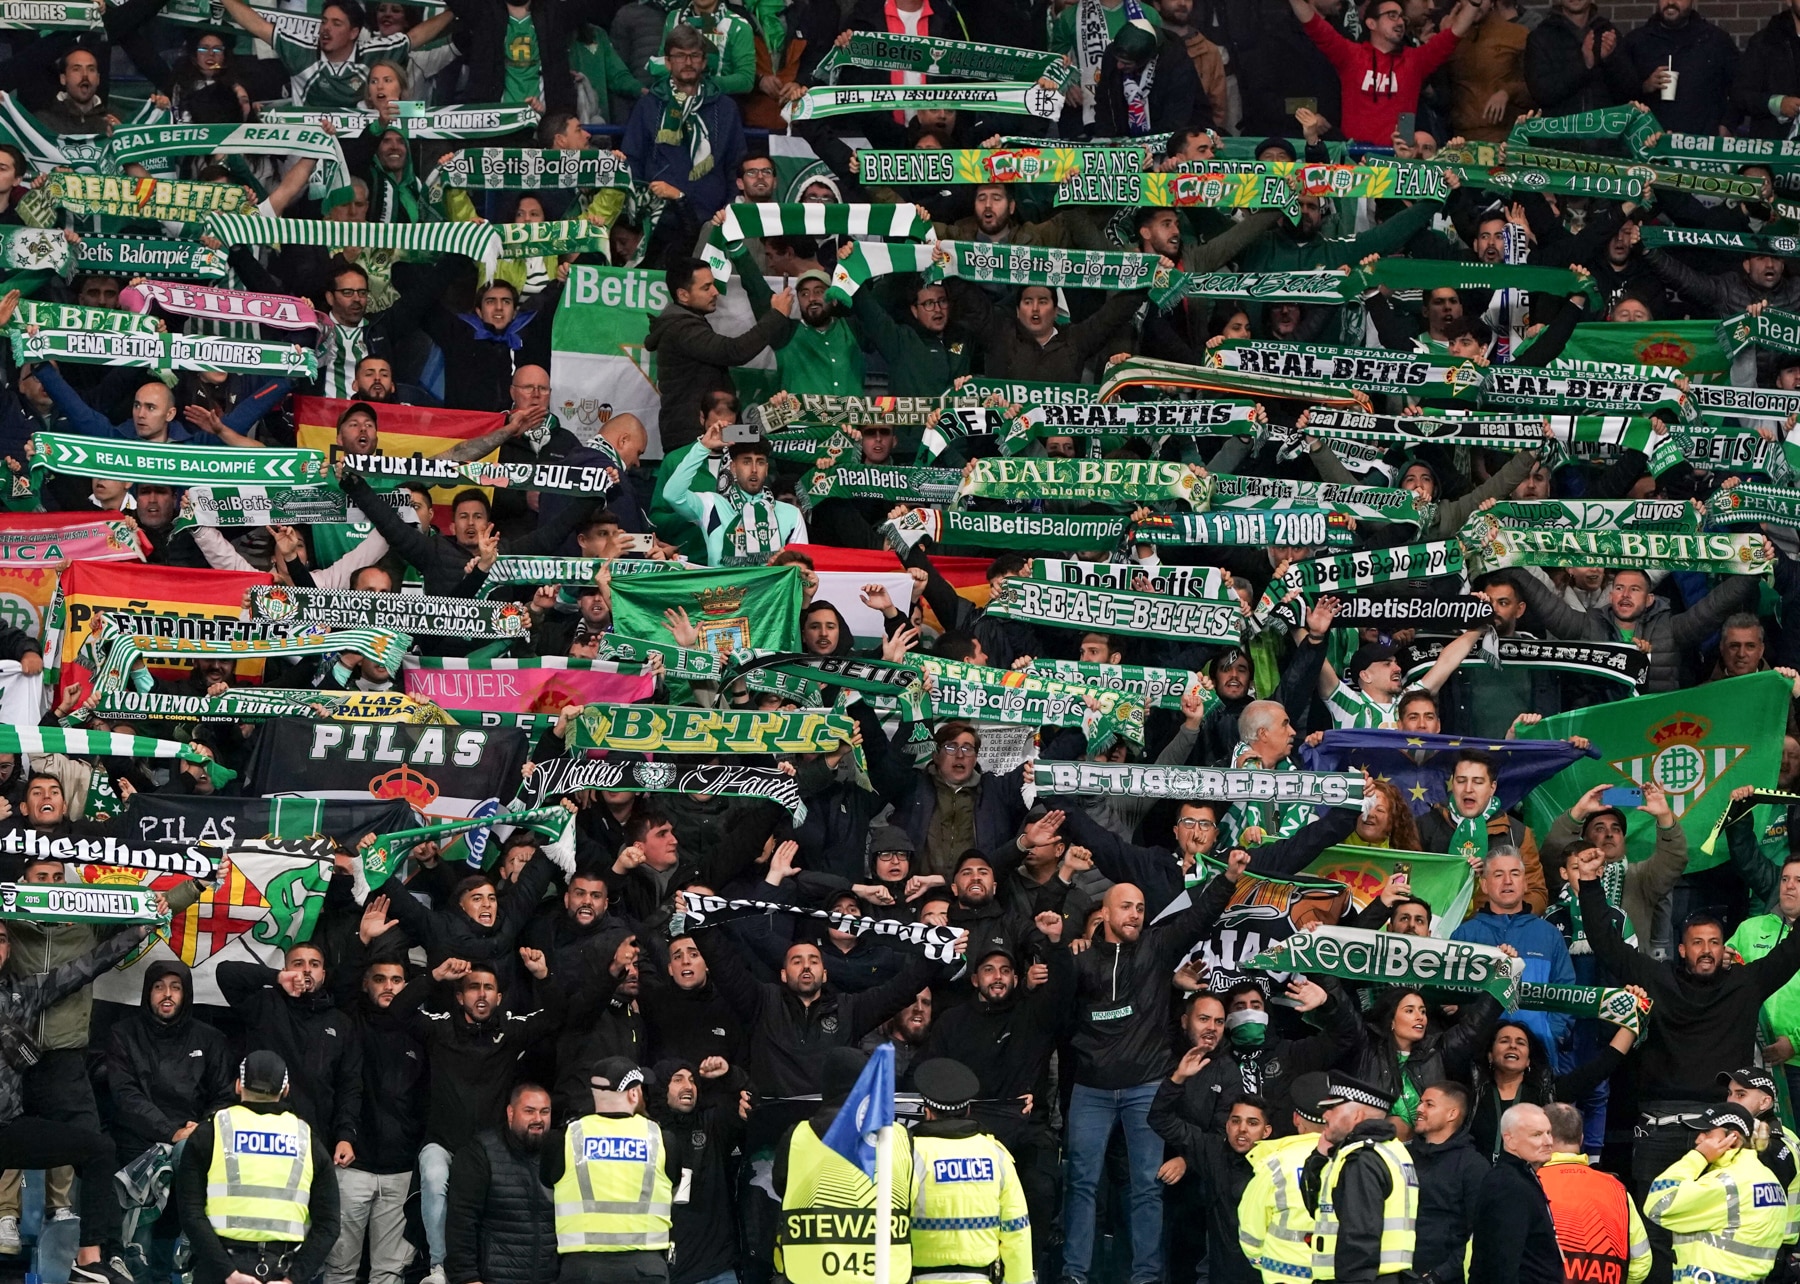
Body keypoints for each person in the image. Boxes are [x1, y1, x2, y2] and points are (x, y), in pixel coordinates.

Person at [1063, 850, 1251, 1284]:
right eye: (1126, 906)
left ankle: (1146, 1277)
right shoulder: (1080, 958)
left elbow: (1197, 919)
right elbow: (1055, 1012)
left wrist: (1227, 879)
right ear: (1105, 912)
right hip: (1090, 1088)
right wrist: (1068, 939)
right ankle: (1074, 1274)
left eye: (1141, 908)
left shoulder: (1157, 947)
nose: (1135, 914)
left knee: (1147, 1187)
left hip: (1146, 1087)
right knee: (1082, 1183)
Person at [174, 1051, 343, 1284]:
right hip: (282, 1268)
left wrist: (228, 1274)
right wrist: (292, 1279)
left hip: (218, 1271)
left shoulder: (211, 1132)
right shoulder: (307, 1140)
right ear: (285, 1090)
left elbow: (190, 1213)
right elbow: (329, 1224)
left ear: (237, 1086)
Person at [774, 1047, 914, 1284]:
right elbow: (911, 1195)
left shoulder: (797, 1137)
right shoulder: (900, 1136)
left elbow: (781, 1187)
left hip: (812, 1274)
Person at [643, 256, 794, 455]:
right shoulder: (681, 329)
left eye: (713, 284)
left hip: (713, 431)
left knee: (769, 440)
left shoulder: (685, 323)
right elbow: (733, 351)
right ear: (683, 295)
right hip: (694, 438)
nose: (716, 292)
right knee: (766, 442)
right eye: (706, 288)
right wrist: (777, 315)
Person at [907, 1058, 1033, 1284]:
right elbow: (1017, 1230)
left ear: (927, 1112)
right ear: (968, 1110)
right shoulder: (996, 1155)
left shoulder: (910, 1155)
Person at [1645, 1103, 1789, 1284]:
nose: (1699, 1140)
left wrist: (1699, 1157)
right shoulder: (1767, 1177)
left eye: (1707, 1133)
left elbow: (1657, 1205)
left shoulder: (1725, 1183)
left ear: (1733, 1138)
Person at [1302, 1072, 1419, 1283]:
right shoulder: (1392, 1150)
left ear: (1357, 1116)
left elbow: (1359, 1236)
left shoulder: (1362, 1159)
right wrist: (1319, 1157)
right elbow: (1318, 1207)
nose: (1325, 1116)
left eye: (1332, 1108)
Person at [444, 1083, 556, 1284]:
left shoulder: (560, 1152)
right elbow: (461, 1222)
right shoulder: (481, 1153)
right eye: (529, 1111)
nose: (538, 1119)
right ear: (510, 1113)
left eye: (544, 1112)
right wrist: (466, 1278)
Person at [1539, 1102, 1653, 1284]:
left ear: (1545, 1138)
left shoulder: (1530, 1184)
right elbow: (1641, 1262)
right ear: (1582, 1139)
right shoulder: (1617, 1190)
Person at [1238, 1072, 1329, 1284]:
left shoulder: (1275, 1163)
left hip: (1282, 1276)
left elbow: (1251, 1227)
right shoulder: (1351, 1159)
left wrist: (1264, 1263)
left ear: (1296, 1119)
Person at [1407, 1083, 1490, 1284]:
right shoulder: (1404, 1156)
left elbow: (1482, 1232)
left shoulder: (1473, 1165)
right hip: (1398, 1274)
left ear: (1452, 1114)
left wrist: (1439, 1275)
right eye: (1420, 1102)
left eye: (1429, 1104)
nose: (1419, 1109)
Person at [1469, 1104, 1561, 1284]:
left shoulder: (1521, 1177)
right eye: (1537, 1134)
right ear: (1509, 1140)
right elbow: (1501, 1264)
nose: (1548, 1141)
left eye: (1549, 1133)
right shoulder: (1508, 1185)